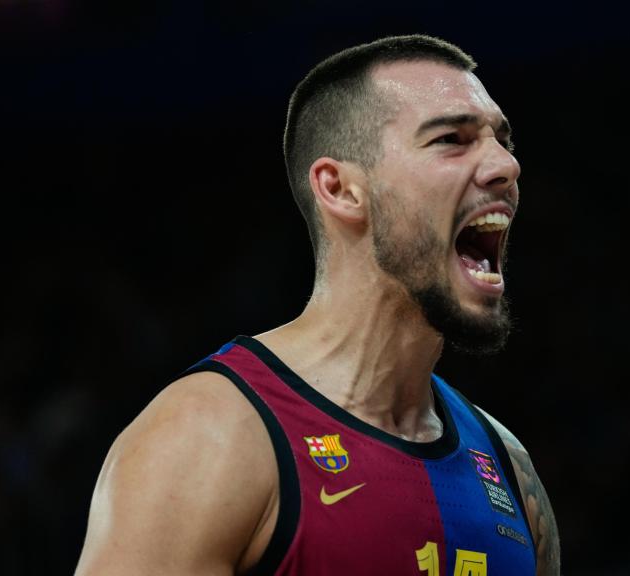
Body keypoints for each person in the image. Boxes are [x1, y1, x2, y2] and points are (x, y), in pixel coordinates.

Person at [75, 34, 559, 576]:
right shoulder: (208, 436)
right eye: (451, 138)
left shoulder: (508, 466)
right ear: (341, 189)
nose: (505, 165)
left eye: (502, 141)